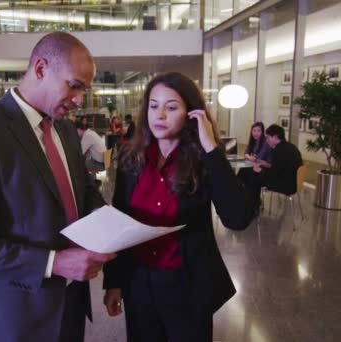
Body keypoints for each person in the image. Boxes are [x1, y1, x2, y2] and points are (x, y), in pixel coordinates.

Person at [0, 32, 116, 342]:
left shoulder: (63, 128)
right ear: (40, 69)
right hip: (12, 313)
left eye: (84, 90)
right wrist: (54, 262)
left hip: (70, 303)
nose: (79, 100)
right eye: (74, 85)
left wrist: (115, 227)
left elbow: (83, 192)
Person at [102, 72, 256, 342]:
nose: (159, 115)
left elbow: (237, 218)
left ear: (191, 113)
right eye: (153, 105)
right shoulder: (131, 157)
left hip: (187, 284)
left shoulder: (203, 160)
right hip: (139, 282)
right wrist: (113, 281)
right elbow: (119, 222)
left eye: (171, 107)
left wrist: (211, 149)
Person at [239, 124, 303, 206]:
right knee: (249, 172)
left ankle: (252, 204)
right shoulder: (291, 147)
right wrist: (263, 166)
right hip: (292, 182)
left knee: (253, 176)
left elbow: (273, 174)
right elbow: (279, 168)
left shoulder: (278, 151)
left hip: (285, 185)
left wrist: (260, 170)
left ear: (275, 137)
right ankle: (250, 200)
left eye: (268, 137)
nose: (267, 140)